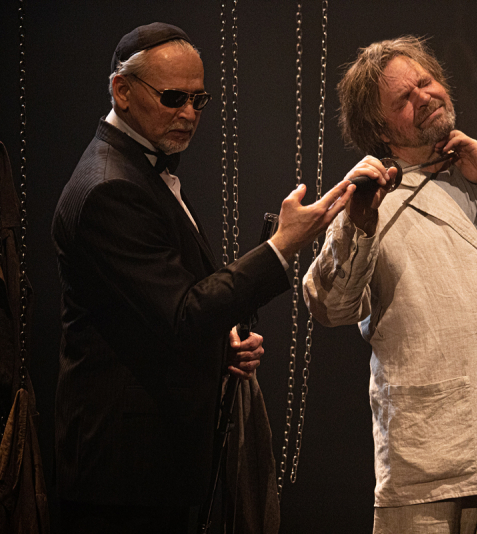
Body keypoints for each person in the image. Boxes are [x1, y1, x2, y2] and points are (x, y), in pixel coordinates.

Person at [51, 22, 354, 533]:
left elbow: (150, 314)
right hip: (123, 477)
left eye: (199, 100)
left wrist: (220, 346)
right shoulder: (110, 187)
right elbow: (184, 313)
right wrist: (282, 245)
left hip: (148, 467)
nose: (189, 114)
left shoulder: (138, 167)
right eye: (173, 98)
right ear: (122, 91)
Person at [303, 36, 477, 534]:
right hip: (431, 460)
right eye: (403, 99)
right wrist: (358, 224)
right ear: (380, 129)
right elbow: (331, 306)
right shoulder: (373, 204)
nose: (424, 96)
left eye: (426, 81)